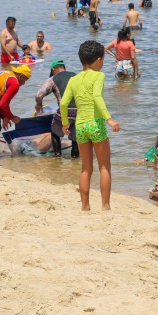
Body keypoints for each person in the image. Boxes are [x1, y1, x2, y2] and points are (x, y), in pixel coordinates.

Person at [61, 40, 121, 211]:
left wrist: (65, 123)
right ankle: (105, 206)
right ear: (98, 60)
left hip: (80, 126)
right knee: (104, 167)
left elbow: (64, 103)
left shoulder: (73, 79)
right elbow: (97, 97)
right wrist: (109, 119)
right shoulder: (99, 76)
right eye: (103, 60)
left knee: (86, 168)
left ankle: (85, 206)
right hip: (96, 125)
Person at [35, 60, 79, 158]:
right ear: (64, 68)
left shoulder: (53, 78)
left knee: (55, 132)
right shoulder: (77, 76)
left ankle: (57, 157)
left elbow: (39, 95)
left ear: (53, 70)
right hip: (80, 110)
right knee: (75, 137)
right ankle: (75, 160)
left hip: (65, 110)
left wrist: (39, 104)